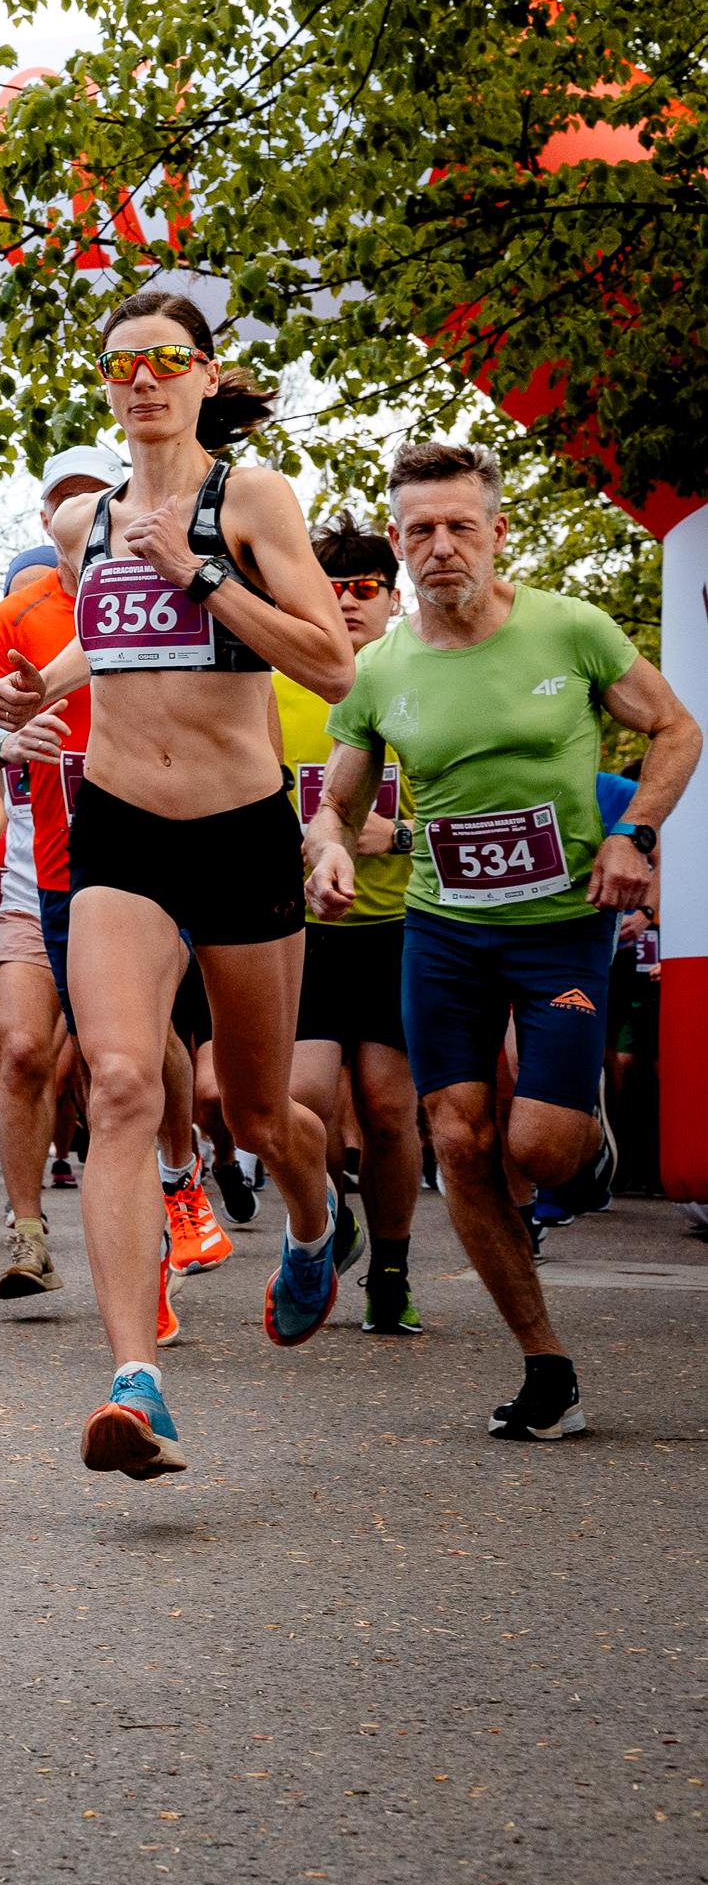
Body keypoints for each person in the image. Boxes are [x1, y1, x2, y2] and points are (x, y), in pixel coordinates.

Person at [0, 293, 358, 1481]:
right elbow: (108, 637)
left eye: (163, 361)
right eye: (119, 363)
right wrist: (30, 694)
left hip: (239, 826)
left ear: (203, 375)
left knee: (254, 1114)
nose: (139, 379)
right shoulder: (91, 518)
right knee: (113, 1083)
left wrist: (200, 572)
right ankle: (133, 1381)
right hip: (120, 829)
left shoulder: (245, 500)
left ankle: (310, 1221)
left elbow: (328, 660)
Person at [310, 440, 695, 1440]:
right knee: (455, 1136)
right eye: (418, 530)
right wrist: (327, 849)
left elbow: (674, 729)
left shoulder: (568, 629)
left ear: (495, 532)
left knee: (540, 1146)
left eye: (457, 525)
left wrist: (632, 833)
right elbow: (334, 798)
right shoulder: (377, 669)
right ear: (397, 544)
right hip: (442, 933)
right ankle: (544, 1364)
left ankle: (586, 1139)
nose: (438, 546)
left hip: (560, 931)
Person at [0, 462, 116, 1306]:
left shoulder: (167, 602)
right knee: (20, 1050)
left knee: (128, 1062)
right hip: (30, 879)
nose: (78, 541)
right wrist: (8, 745)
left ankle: (183, 1179)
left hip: (135, 874)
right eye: (63, 523)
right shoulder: (15, 616)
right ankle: (30, 1231)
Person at [280, 513, 425, 1334]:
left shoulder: (420, 683)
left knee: (386, 1107)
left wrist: (397, 834)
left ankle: (393, 1271)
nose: (346, 603)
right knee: (298, 1101)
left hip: (400, 924)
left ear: (391, 596)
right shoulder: (276, 687)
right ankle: (333, 1209)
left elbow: (469, 812)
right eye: (329, 589)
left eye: (364, 588)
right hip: (300, 929)